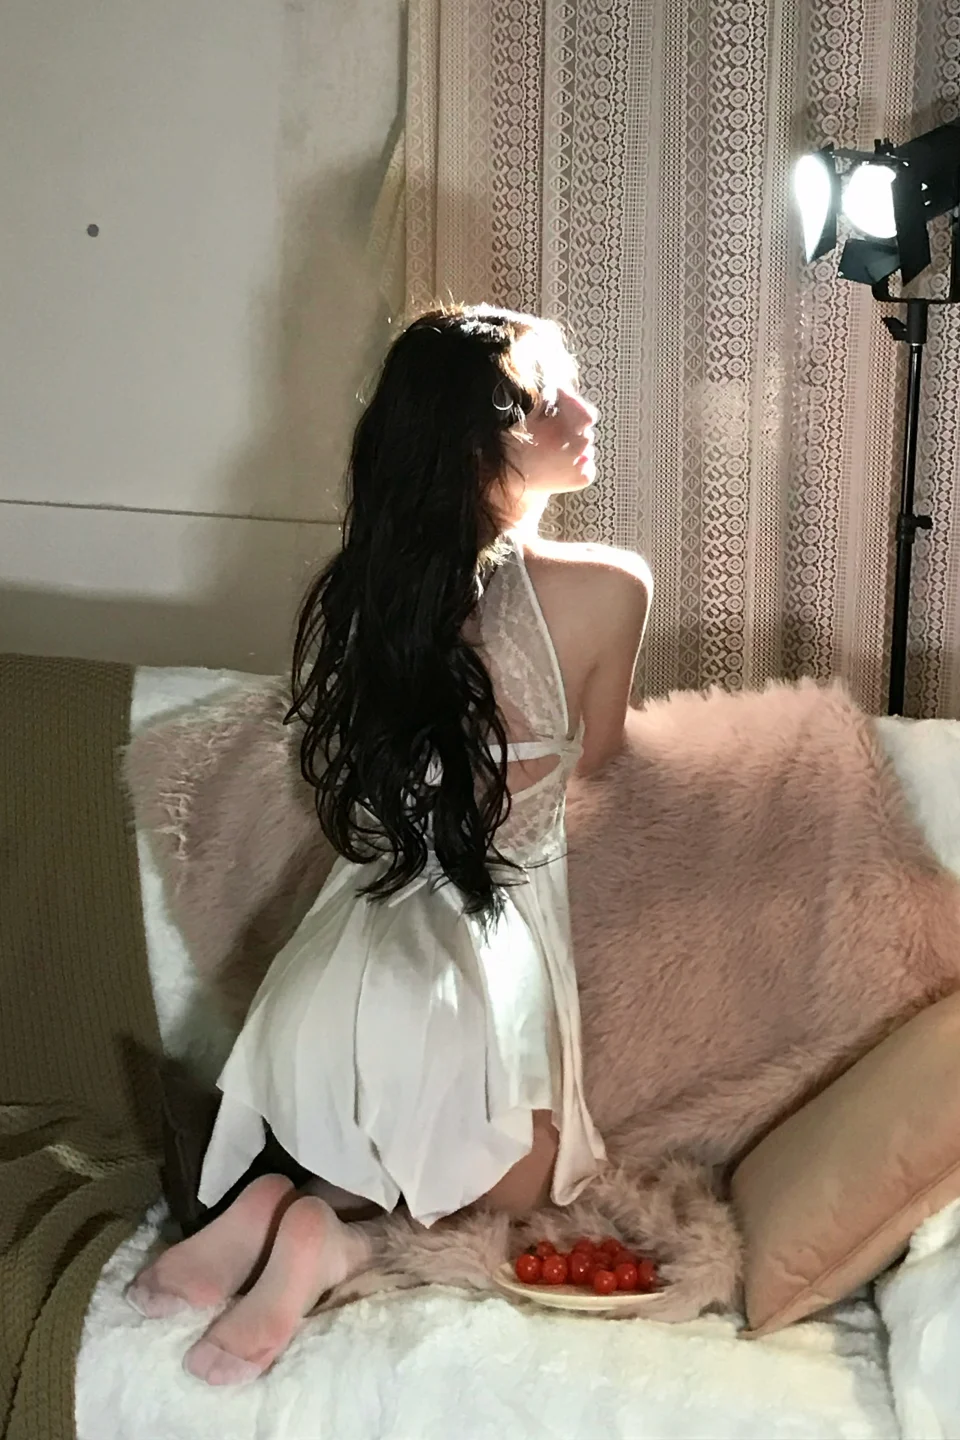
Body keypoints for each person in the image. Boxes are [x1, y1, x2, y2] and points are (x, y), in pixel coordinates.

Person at [125, 303, 652, 1383]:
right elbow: (599, 772)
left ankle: (276, 1207)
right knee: (521, 1200)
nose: (585, 411)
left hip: (344, 961)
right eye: (549, 399)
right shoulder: (609, 592)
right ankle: (338, 1243)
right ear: (479, 445)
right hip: (478, 960)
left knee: (398, 1145)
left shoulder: (376, 603)